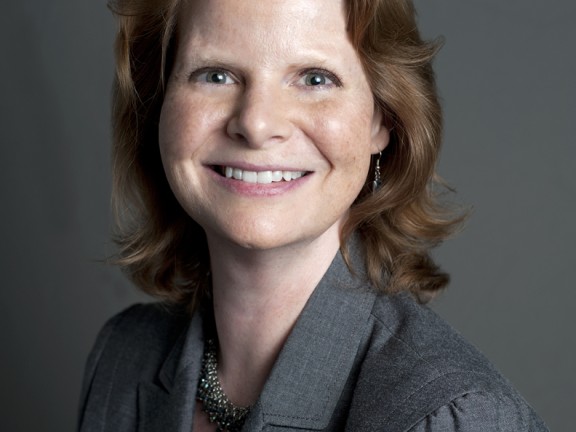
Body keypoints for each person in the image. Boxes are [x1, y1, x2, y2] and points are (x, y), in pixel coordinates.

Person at [78, 0, 548, 430]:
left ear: (383, 119)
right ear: (159, 104)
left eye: (314, 79)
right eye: (216, 74)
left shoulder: (448, 417)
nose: (257, 124)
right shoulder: (123, 357)